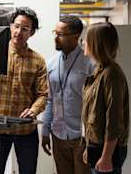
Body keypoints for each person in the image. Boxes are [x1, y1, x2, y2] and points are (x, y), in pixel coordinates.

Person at [0, 7, 48, 174]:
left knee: (28, 171)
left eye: (25, 29)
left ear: (32, 32)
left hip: (26, 130)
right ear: (10, 27)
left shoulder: (38, 60)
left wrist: (34, 110)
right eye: (16, 26)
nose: (18, 32)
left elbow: (43, 94)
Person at [41, 16, 93, 174]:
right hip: (58, 135)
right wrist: (45, 130)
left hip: (82, 137)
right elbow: (50, 100)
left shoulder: (90, 64)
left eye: (60, 35)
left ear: (76, 36)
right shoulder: (51, 64)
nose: (55, 38)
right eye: (55, 33)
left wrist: (91, 137)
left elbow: (93, 105)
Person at [82, 22, 129, 174]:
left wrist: (106, 156)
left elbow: (114, 120)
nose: (83, 42)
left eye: (87, 39)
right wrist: (89, 147)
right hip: (97, 147)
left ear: (97, 43)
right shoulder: (100, 71)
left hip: (106, 151)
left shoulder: (111, 74)